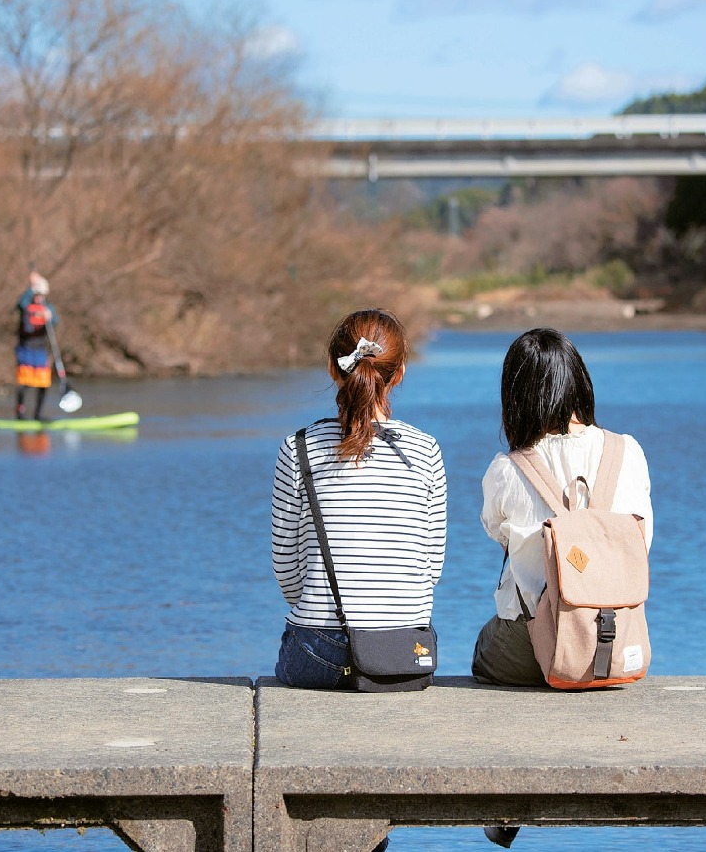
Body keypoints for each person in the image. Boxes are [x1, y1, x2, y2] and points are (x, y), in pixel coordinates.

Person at [471, 327, 653, 849]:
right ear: (580, 384)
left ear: (517, 395)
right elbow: (642, 541)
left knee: (489, 651)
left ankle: (507, 797)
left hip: (533, 649)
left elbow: (496, 532)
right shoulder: (629, 451)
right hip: (619, 645)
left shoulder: (508, 468)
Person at [271, 308, 448, 692]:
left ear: (334, 370)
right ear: (399, 374)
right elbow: (431, 568)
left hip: (321, 650)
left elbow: (286, 567)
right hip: (405, 651)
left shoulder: (298, 448)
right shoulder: (426, 450)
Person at [15, 270, 59, 420]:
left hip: (40, 349)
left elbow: (55, 322)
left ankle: (38, 414)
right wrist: (32, 286)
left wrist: (49, 318)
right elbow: (21, 305)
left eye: (41, 294)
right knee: (25, 382)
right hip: (26, 348)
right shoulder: (26, 304)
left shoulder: (48, 308)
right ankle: (20, 413)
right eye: (37, 294)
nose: (39, 297)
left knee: (43, 383)